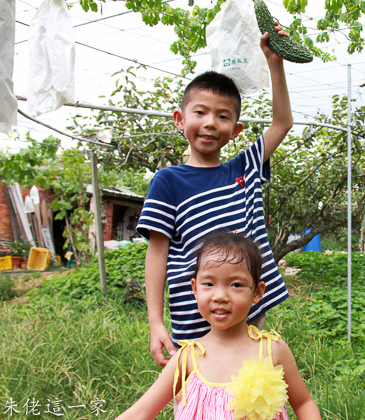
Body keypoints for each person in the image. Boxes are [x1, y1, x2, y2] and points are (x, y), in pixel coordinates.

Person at [136, 22, 293, 366]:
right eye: (200, 112)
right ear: (180, 119)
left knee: (247, 384)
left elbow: (282, 123)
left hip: (245, 308)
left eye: (222, 116)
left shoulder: (244, 168)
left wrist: (275, 63)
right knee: (197, 386)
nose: (210, 122)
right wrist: (155, 322)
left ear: (235, 130)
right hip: (194, 317)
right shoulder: (168, 181)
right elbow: (157, 253)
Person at [117, 232, 322, 420]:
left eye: (236, 285)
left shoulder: (272, 350)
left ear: (257, 292)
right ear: (195, 288)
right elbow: (140, 413)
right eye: (209, 284)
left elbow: (303, 403)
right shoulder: (186, 359)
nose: (220, 296)